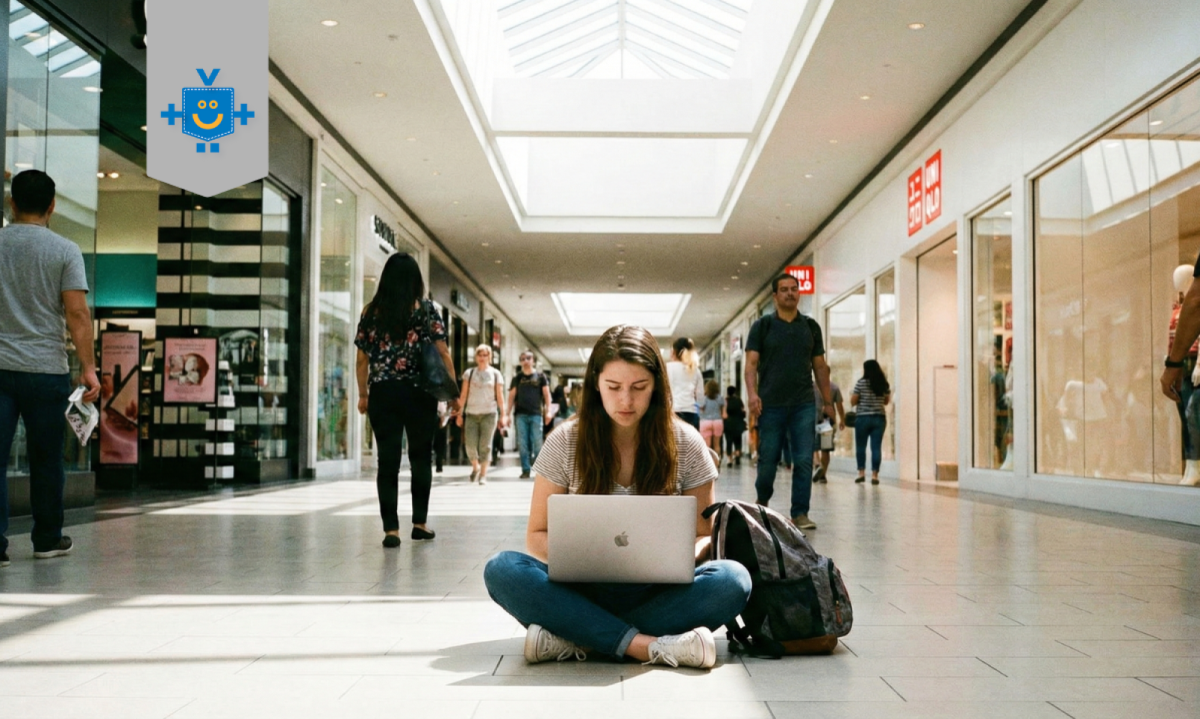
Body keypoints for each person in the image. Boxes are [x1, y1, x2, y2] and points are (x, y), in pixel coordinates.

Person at [483, 325, 751, 668]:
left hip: (659, 591)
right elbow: (536, 536)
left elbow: (704, 536)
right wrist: (589, 556)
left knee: (734, 580)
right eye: (614, 387)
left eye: (639, 388)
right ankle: (647, 646)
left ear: (656, 386)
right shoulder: (565, 441)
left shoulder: (687, 444)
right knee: (503, 568)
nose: (626, 400)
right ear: (596, 384)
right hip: (581, 588)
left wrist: (672, 554)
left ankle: (580, 636)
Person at [0, 170, 100, 567]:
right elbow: (77, 313)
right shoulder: (65, 250)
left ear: (12, 203)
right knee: (46, 458)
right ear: (52, 206)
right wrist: (88, 367)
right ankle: (46, 539)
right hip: (45, 370)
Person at [355, 253, 458, 548]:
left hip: (383, 393)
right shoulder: (426, 310)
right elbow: (444, 353)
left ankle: (391, 530)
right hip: (419, 393)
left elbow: (362, 359)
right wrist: (452, 395)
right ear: (416, 280)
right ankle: (420, 524)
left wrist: (363, 394)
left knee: (387, 461)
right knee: (420, 458)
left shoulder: (371, 311)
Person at [745, 274, 834, 531]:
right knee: (768, 460)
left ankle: (800, 512)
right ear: (775, 296)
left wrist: (827, 402)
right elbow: (751, 365)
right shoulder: (762, 327)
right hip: (770, 404)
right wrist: (752, 394)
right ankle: (762, 502)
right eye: (784, 290)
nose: (790, 293)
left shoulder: (810, 327)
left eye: (794, 289)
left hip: (803, 403)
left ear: (799, 293)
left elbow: (820, 366)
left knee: (804, 459)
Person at [456, 345, 506, 486]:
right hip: (471, 413)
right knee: (470, 445)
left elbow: (500, 396)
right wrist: (459, 414)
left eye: (485, 355)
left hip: (489, 414)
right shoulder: (469, 373)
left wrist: (503, 415)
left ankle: (483, 475)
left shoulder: (496, 374)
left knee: (486, 445)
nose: (482, 358)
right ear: (476, 357)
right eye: (480, 355)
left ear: (489, 357)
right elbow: (463, 395)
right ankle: (475, 467)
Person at [508, 351, 551, 479]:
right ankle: (526, 470)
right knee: (523, 443)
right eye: (522, 359)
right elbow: (511, 396)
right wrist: (506, 414)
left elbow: (547, 395)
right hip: (520, 415)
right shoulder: (517, 378)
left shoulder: (540, 377)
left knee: (537, 443)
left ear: (533, 360)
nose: (525, 361)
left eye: (528, 358)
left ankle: (540, 472)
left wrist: (548, 411)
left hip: (536, 414)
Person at [851, 360, 891, 485]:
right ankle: (874, 475)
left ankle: (861, 473)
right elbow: (886, 401)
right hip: (879, 418)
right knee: (876, 447)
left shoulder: (860, 383)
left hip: (863, 418)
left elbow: (853, 401)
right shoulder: (884, 384)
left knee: (861, 447)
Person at [812, 377, 845, 484]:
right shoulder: (834, 387)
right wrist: (842, 419)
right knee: (825, 449)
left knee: (812, 445)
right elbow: (839, 405)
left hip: (812, 419)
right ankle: (823, 474)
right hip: (826, 421)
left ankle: (817, 464)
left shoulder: (810, 387)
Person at [667, 337, 703, 430]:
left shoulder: (667, 368)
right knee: (691, 444)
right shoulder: (695, 370)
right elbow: (700, 399)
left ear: (674, 351)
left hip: (672, 413)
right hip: (691, 414)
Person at [698, 380, 725, 464]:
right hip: (717, 421)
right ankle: (717, 463)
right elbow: (723, 412)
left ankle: (708, 464)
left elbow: (701, 408)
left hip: (705, 421)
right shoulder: (720, 398)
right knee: (717, 444)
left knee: (707, 445)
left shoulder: (704, 398)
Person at [723, 386, 746, 467]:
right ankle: (737, 453)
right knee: (738, 440)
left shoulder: (726, 401)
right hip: (738, 423)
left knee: (729, 441)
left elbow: (724, 414)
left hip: (728, 424)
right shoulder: (739, 400)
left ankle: (729, 459)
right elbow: (743, 411)